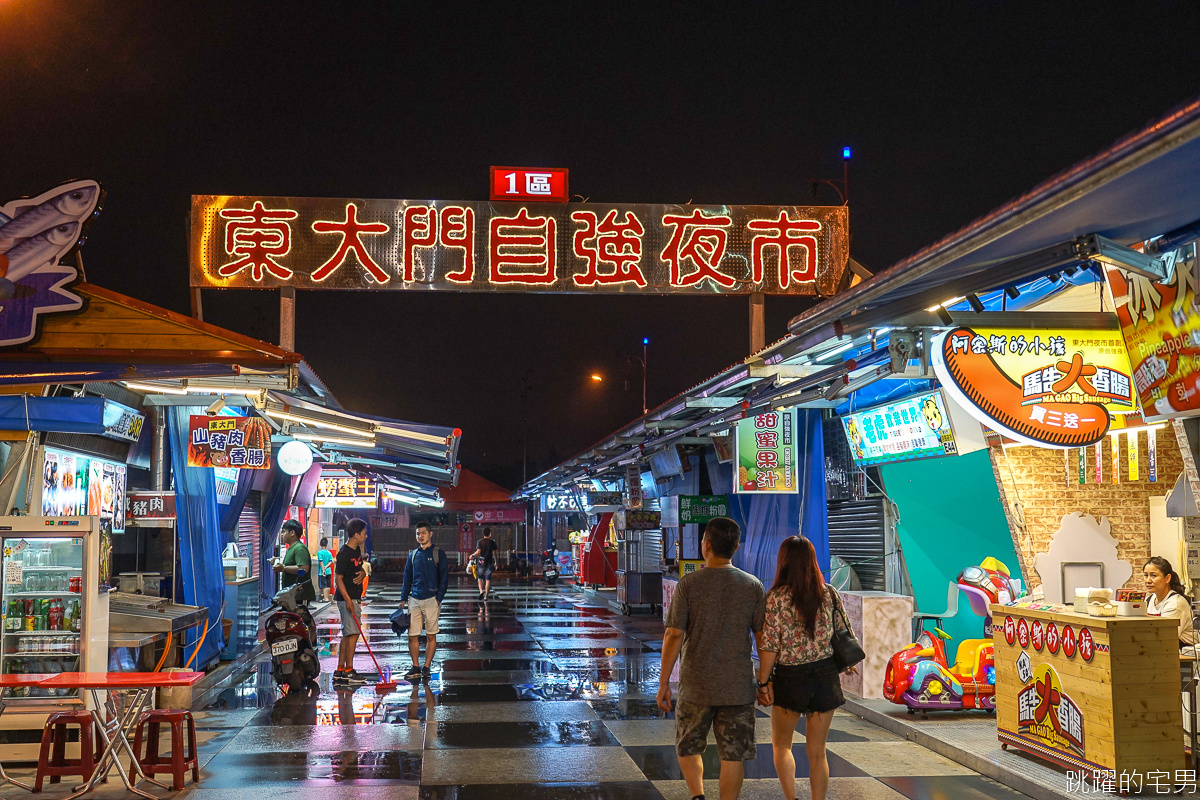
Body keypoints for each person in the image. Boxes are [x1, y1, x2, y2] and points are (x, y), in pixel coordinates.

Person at [657, 517, 766, 800]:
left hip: (696, 685)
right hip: (738, 685)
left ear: (705, 545)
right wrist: (764, 681)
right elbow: (763, 638)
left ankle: (698, 796)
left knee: (688, 745)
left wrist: (664, 682)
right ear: (736, 547)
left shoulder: (689, 585)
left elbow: (673, 635)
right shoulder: (752, 585)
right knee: (733, 754)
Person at [756, 536, 857, 800]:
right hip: (825, 676)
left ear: (784, 562)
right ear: (812, 561)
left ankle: (792, 798)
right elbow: (844, 631)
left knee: (781, 746)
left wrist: (763, 682)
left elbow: (769, 646)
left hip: (791, 677)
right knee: (818, 751)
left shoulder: (776, 598)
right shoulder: (829, 593)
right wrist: (848, 665)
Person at [400, 521, 449, 681]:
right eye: (418, 533)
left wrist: (439, 598)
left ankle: (426, 666)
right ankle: (415, 666)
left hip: (431, 599)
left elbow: (444, 578)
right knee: (412, 635)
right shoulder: (413, 555)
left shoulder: (438, 553)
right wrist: (403, 597)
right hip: (414, 599)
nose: (420, 536)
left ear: (430, 534)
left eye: (423, 533)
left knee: (430, 635)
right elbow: (407, 577)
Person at [333, 519, 369, 685]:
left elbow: (359, 567)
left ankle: (341, 670)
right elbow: (338, 579)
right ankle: (349, 671)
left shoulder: (356, 552)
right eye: (364, 533)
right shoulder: (344, 553)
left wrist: (362, 573)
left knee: (348, 634)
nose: (366, 535)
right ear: (356, 534)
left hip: (354, 597)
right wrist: (348, 600)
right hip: (348, 599)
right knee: (353, 634)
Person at [1144, 556, 1197, 647]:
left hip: (1182, 652)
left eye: (1154, 576)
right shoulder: (1149, 599)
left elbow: (1165, 635)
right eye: (1146, 575)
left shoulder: (1175, 603)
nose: (1148, 580)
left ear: (1167, 578)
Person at [273, 520, 315, 604]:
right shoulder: (291, 548)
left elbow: (303, 569)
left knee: (298, 617)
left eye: (284, 532)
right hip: (291, 595)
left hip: (300, 595)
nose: (282, 535)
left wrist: (283, 568)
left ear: (292, 533)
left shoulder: (299, 548)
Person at [468, 527, 500, 601]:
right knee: (488, 580)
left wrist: (472, 555)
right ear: (490, 533)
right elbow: (495, 553)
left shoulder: (480, 542)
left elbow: (478, 551)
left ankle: (481, 591)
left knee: (480, 578)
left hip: (481, 562)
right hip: (489, 562)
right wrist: (496, 562)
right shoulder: (492, 542)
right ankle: (486, 597)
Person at [317, 537, 334, 602]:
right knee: (328, 585)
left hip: (322, 572)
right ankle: (327, 598)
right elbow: (330, 561)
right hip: (329, 571)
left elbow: (321, 561)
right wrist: (326, 567)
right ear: (326, 544)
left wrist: (323, 569)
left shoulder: (320, 553)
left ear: (320, 544)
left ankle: (325, 598)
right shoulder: (329, 553)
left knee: (324, 585)